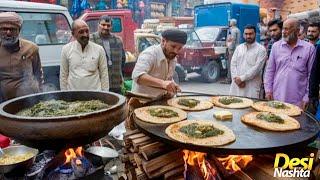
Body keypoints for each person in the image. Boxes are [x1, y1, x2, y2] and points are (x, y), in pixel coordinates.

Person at [264, 18, 315, 108]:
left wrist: (307, 97)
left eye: (287, 29)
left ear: (297, 31)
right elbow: (270, 70)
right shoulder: (276, 46)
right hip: (277, 97)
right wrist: (268, 90)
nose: (283, 32)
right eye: (283, 28)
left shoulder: (309, 48)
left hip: (298, 100)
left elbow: (311, 75)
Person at [0, 12, 43, 103]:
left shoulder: (31, 48)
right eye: (4, 29)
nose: (8, 33)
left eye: (12, 29)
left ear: (19, 31)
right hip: (3, 101)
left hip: (29, 99)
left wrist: (40, 94)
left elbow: (38, 73)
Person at [131, 29, 187, 98]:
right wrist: (162, 83)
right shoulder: (150, 54)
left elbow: (167, 78)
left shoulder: (173, 59)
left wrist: (172, 85)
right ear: (163, 41)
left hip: (159, 101)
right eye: (173, 46)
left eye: (179, 48)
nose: (176, 51)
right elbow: (137, 76)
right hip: (141, 101)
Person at [60, 19, 109, 91]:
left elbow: (104, 75)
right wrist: (64, 96)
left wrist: (105, 95)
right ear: (73, 34)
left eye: (87, 31)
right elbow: (63, 76)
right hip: (73, 97)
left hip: (95, 97)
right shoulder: (66, 49)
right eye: (81, 32)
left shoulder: (99, 49)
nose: (85, 35)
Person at [90, 15, 125, 94]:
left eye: (108, 25)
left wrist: (121, 77)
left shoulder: (118, 40)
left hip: (116, 84)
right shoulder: (91, 40)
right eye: (103, 25)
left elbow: (123, 60)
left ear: (111, 27)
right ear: (98, 25)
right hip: (99, 85)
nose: (105, 27)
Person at [229, 25, 267, 98]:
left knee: (250, 107)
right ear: (243, 35)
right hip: (236, 84)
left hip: (251, 86)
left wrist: (242, 78)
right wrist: (235, 78)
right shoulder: (239, 48)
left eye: (250, 34)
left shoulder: (261, 49)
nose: (248, 36)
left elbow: (256, 68)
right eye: (246, 34)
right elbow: (233, 64)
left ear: (255, 34)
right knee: (234, 105)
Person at [221, 19, 241, 84]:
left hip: (232, 50)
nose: (229, 23)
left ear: (232, 23)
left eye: (230, 22)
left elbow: (232, 40)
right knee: (236, 65)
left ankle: (229, 79)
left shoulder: (232, 30)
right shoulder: (238, 30)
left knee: (230, 65)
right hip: (237, 49)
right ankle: (233, 79)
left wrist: (229, 48)